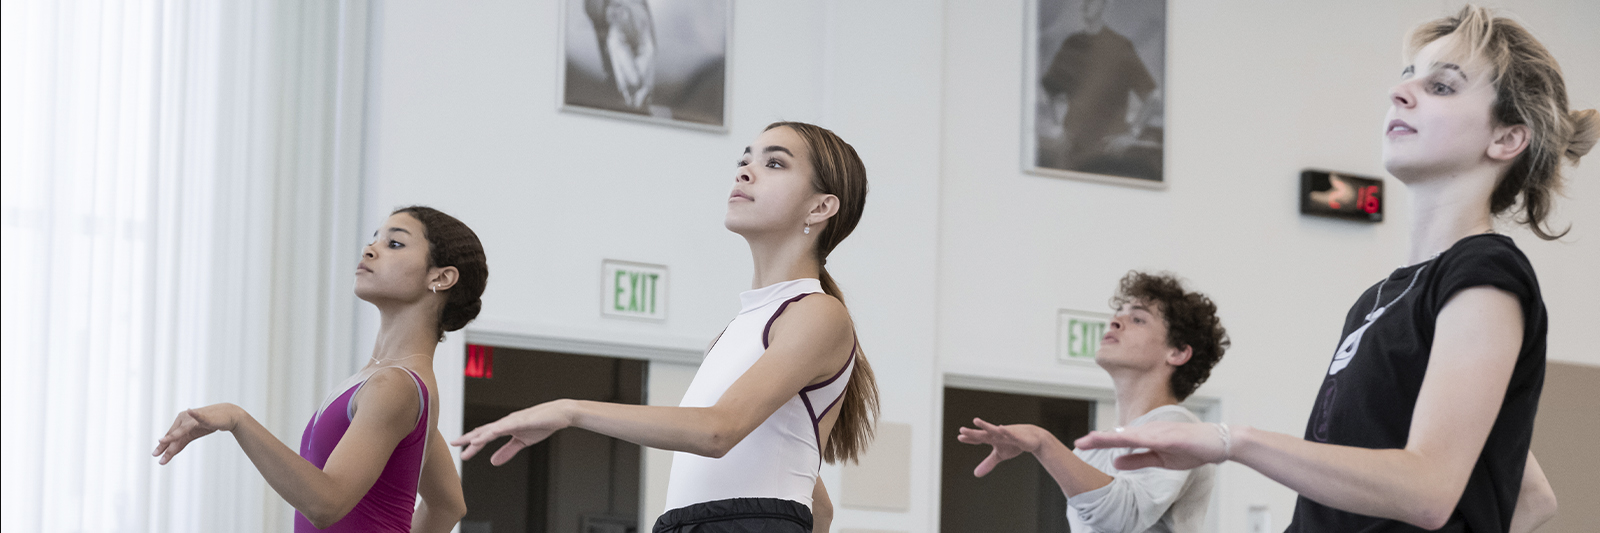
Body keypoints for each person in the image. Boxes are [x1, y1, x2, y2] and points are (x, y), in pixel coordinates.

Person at [1075, 6, 1594, 532]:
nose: (1401, 92)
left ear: (1506, 138)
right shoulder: (1379, 300)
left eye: (1442, 87)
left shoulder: (1486, 272)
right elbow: (1532, 496)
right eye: (1408, 75)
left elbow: (1429, 490)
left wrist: (1233, 442)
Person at [453, 121, 879, 533]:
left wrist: (570, 410)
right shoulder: (739, 328)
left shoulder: (817, 312)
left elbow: (717, 430)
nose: (744, 171)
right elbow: (815, 501)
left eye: (774, 164)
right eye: (744, 159)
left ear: (820, 207)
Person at [154, 206, 488, 532]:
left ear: (441, 278)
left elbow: (325, 504)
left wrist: (237, 419)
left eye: (394, 243)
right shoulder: (387, 383)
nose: (370, 250)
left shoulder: (394, 386)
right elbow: (448, 504)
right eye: (375, 239)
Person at [958, 271, 1228, 532]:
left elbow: (1121, 518)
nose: (1115, 322)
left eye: (1138, 319)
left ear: (1178, 352)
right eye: (1117, 314)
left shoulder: (1178, 428)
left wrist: (1043, 443)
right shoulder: (1088, 452)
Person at [1039, 0, 1162, 179]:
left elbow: (1153, 96)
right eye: (1084, 2)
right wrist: (1056, 127)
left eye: (1091, 1)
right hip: (1072, 152)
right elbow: (1049, 89)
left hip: (1107, 153)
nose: (1085, 5)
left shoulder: (1120, 46)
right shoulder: (1072, 44)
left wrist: (1132, 134)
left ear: (1102, 4)